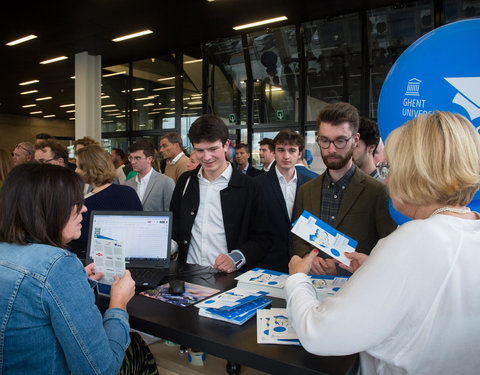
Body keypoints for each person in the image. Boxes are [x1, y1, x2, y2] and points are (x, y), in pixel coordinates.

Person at [286, 111, 480, 374]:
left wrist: (297, 279)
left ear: (416, 172)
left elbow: (319, 333)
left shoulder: (411, 240)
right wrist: (374, 268)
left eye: (388, 168)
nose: (386, 179)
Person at [0, 163, 157, 374]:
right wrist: (118, 303)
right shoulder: (57, 265)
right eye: (76, 202)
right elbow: (101, 368)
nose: (84, 208)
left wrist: (74, 282)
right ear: (50, 208)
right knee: (135, 346)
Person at [292, 102, 396, 275]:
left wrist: (342, 269)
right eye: (324, 141)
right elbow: (298, 237)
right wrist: (309, 257)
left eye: (340, 141)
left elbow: (388, 254)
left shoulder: (377, 192)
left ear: (355, 140)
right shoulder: (306, 190)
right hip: (310, 289)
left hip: (357, 291)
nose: (331, 149)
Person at [170, 114, 269, 273]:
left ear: (226, 145)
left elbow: (262, 238)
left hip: (228, 280)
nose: (207, 157)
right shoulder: (185, 182)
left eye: (213, 149)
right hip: (187, 276)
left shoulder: (250, 187)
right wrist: (168, 246)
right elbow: (175, 226)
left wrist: (236, 258)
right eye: (200, 150)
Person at [69, 144, 142, 259]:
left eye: (78, 167)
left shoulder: (85, 205)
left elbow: (76, 240)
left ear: (89, 169)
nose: (76, 171)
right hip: (131, 259)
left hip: (93, 264)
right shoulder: (129, 192)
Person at [256, 130, 313, 272]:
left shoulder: (310, 185)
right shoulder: (256, 185)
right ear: (274, 152)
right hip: (267, 264)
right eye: (281, 150)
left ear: (300, 154)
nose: (286, 156)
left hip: (302, 264)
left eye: (292, 150)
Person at [124, 139, 175, 212]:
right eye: (131, 158)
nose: (133, 162)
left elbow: (171, 214)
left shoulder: (165, 182)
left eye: (137, 158)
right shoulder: (128, 185)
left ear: (149, 159)